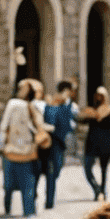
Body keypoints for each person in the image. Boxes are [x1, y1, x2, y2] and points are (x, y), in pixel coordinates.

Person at [0, 80, 44, 218]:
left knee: (9, 183)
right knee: (28, 182)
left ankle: (8, 207)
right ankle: (29, 211)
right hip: (29, 150)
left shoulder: (13, 104)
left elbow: (4, 125)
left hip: (12, 149)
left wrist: (1, 144)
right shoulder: (38, 105)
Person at [43, 80, 77, 210]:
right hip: (51, 142)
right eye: (70, 90)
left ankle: (49, 196)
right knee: (51, 172)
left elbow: (71, 121)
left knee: (57, 169)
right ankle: (49, 201)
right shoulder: (51, 104)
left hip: (61, 143)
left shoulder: (69, 105)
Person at [79, 86, 110, 200]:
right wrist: (87, 114)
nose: (98, 97)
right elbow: (81, 120)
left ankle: (103, 191)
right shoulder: (90, 109)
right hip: (92, 143)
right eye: (97, 94)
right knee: (87, 167)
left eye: (101, 95)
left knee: (104, 169)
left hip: (105, 142)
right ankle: (97, 188)